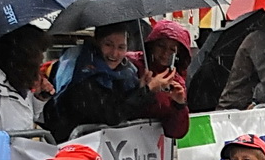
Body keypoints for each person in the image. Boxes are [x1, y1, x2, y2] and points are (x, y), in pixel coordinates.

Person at [47, 24, 177, 141]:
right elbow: (111, 114)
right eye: (108, 45)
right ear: (97, 43)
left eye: (121, 47)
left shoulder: (127, 72)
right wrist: (147, 90)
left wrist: (140, 87)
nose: (115, 53)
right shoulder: (82, 72)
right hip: (74, 147)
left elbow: (124, 105)